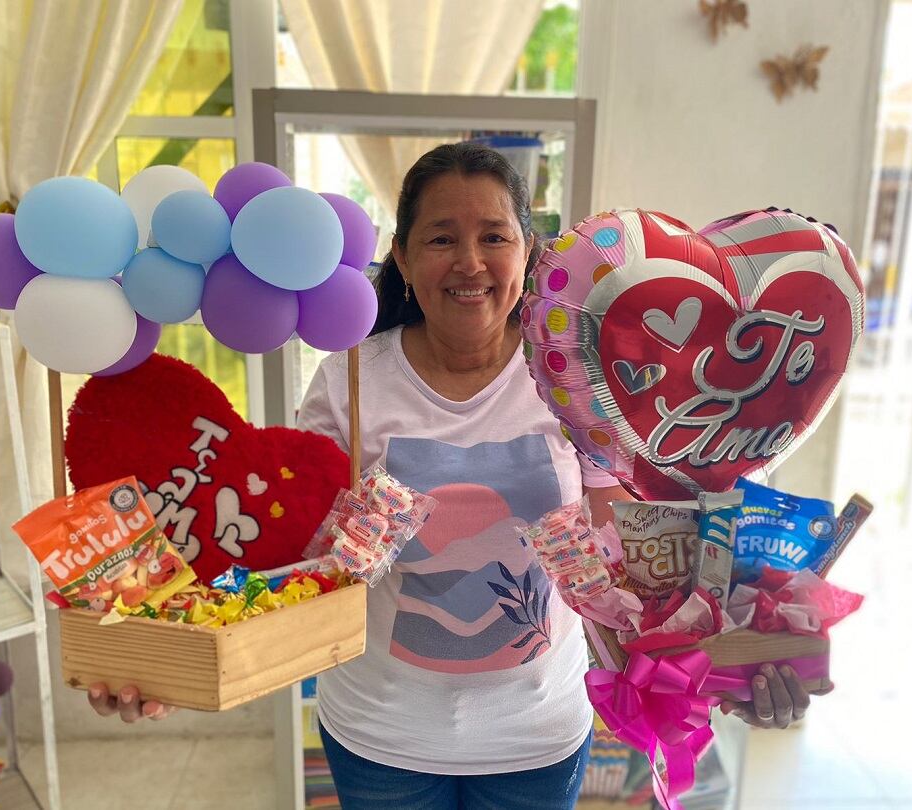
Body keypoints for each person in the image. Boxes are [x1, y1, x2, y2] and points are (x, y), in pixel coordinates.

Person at [88, 143, 828, 808]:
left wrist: (723, 665)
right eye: (442, 238)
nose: (470, 262)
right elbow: (286, 549)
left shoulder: (577, 375)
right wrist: (164, 658)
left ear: (528, 251)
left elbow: (630, 559)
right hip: (379, 735)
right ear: (403, 258)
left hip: (538, 737)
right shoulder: (352, 376)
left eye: (494, 237)